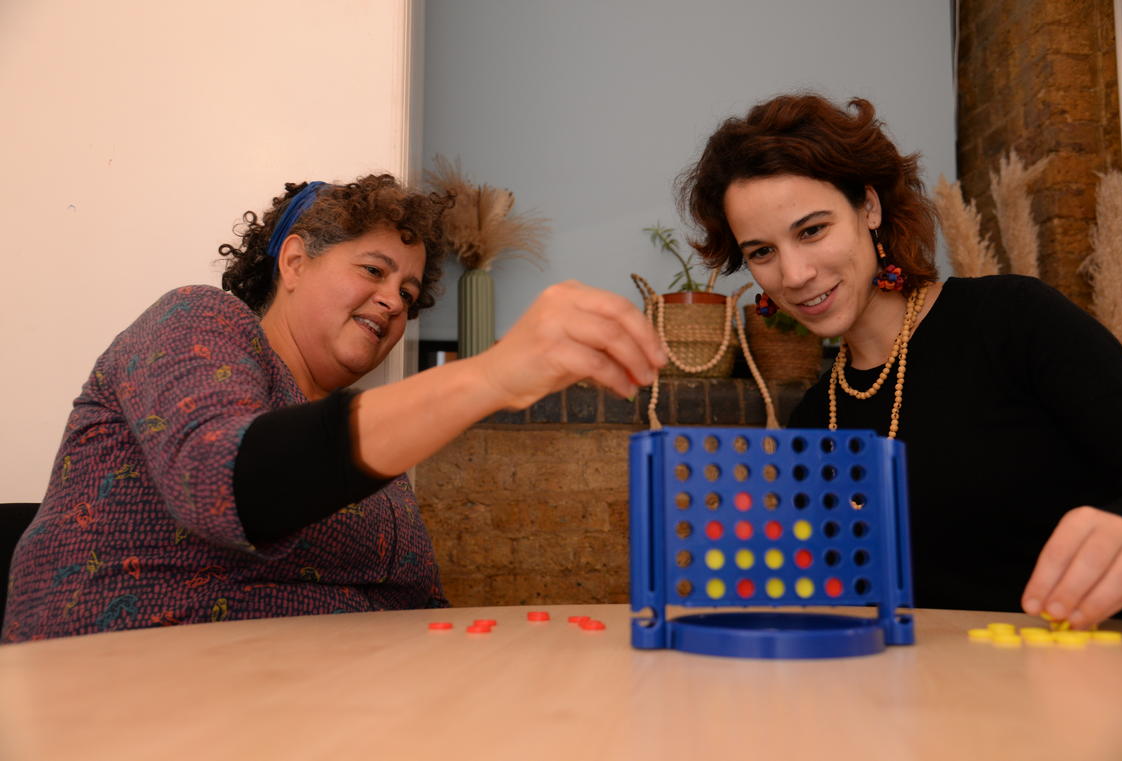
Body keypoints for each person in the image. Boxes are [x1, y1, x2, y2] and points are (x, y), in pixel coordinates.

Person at [3, 174, 666, 641]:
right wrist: (489, 375)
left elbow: (419, 604)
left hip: (318, 703)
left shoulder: (372, 451)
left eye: (409, 293)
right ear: (294, 260)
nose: (395, 300)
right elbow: (225, 481)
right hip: (119, 687)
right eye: (374, 271)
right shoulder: (196, 321)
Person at [680, 94, 1122, 626]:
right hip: (919, 678)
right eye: (762, 252)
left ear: (868, 208)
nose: (794, 274)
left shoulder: (1013, 321)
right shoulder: (813, 417)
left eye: (812, 230)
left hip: (1074, 666)